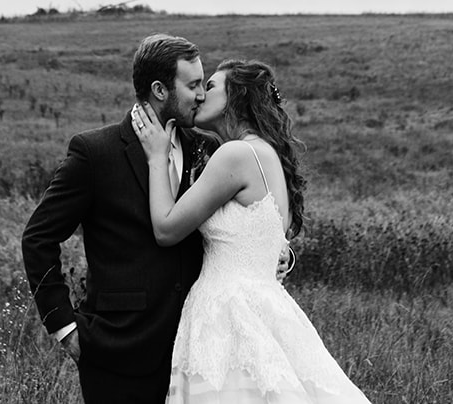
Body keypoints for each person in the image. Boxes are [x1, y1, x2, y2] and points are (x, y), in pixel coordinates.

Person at [133, 59, 372, 403]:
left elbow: (167, 230)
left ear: (236, 96)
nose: (200, 95)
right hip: (263, 305)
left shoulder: (236, 155)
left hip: (227, 314)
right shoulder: (266, 153)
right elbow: (269, 240)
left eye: (211, 86)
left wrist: (157, 158)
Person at [22, 33, 213, 404]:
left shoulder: (207, 149)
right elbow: (38, 237)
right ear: (159, 89)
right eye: (192, 85)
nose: (202, 94)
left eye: (203, 84)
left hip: (198, 351)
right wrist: (65, 327)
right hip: (117, 352)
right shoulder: (95, 153)